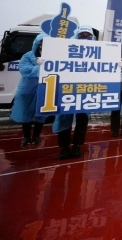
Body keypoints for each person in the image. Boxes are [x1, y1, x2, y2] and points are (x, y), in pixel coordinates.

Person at [53, 25, 94, 159]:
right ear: (78, 35)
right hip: (67, 90)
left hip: (84, 91)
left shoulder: (96, 52)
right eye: (83, 35)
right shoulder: (67, 49)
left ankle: (77, 146)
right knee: (64, 118)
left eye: (88, 35)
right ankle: (64, 147)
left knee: (82, 120)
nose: (85, 37)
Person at [10, 33, 47, 146]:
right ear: (37, 43)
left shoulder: (51, 55)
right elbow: (24, 70)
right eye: (41, 43)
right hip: (27, 88)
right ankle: (26, 137)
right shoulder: (28, 56)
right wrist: (38, 66)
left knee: (40, 113)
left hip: (43, 88)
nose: (42, 45)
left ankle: (36, 136)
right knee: (25, 112)